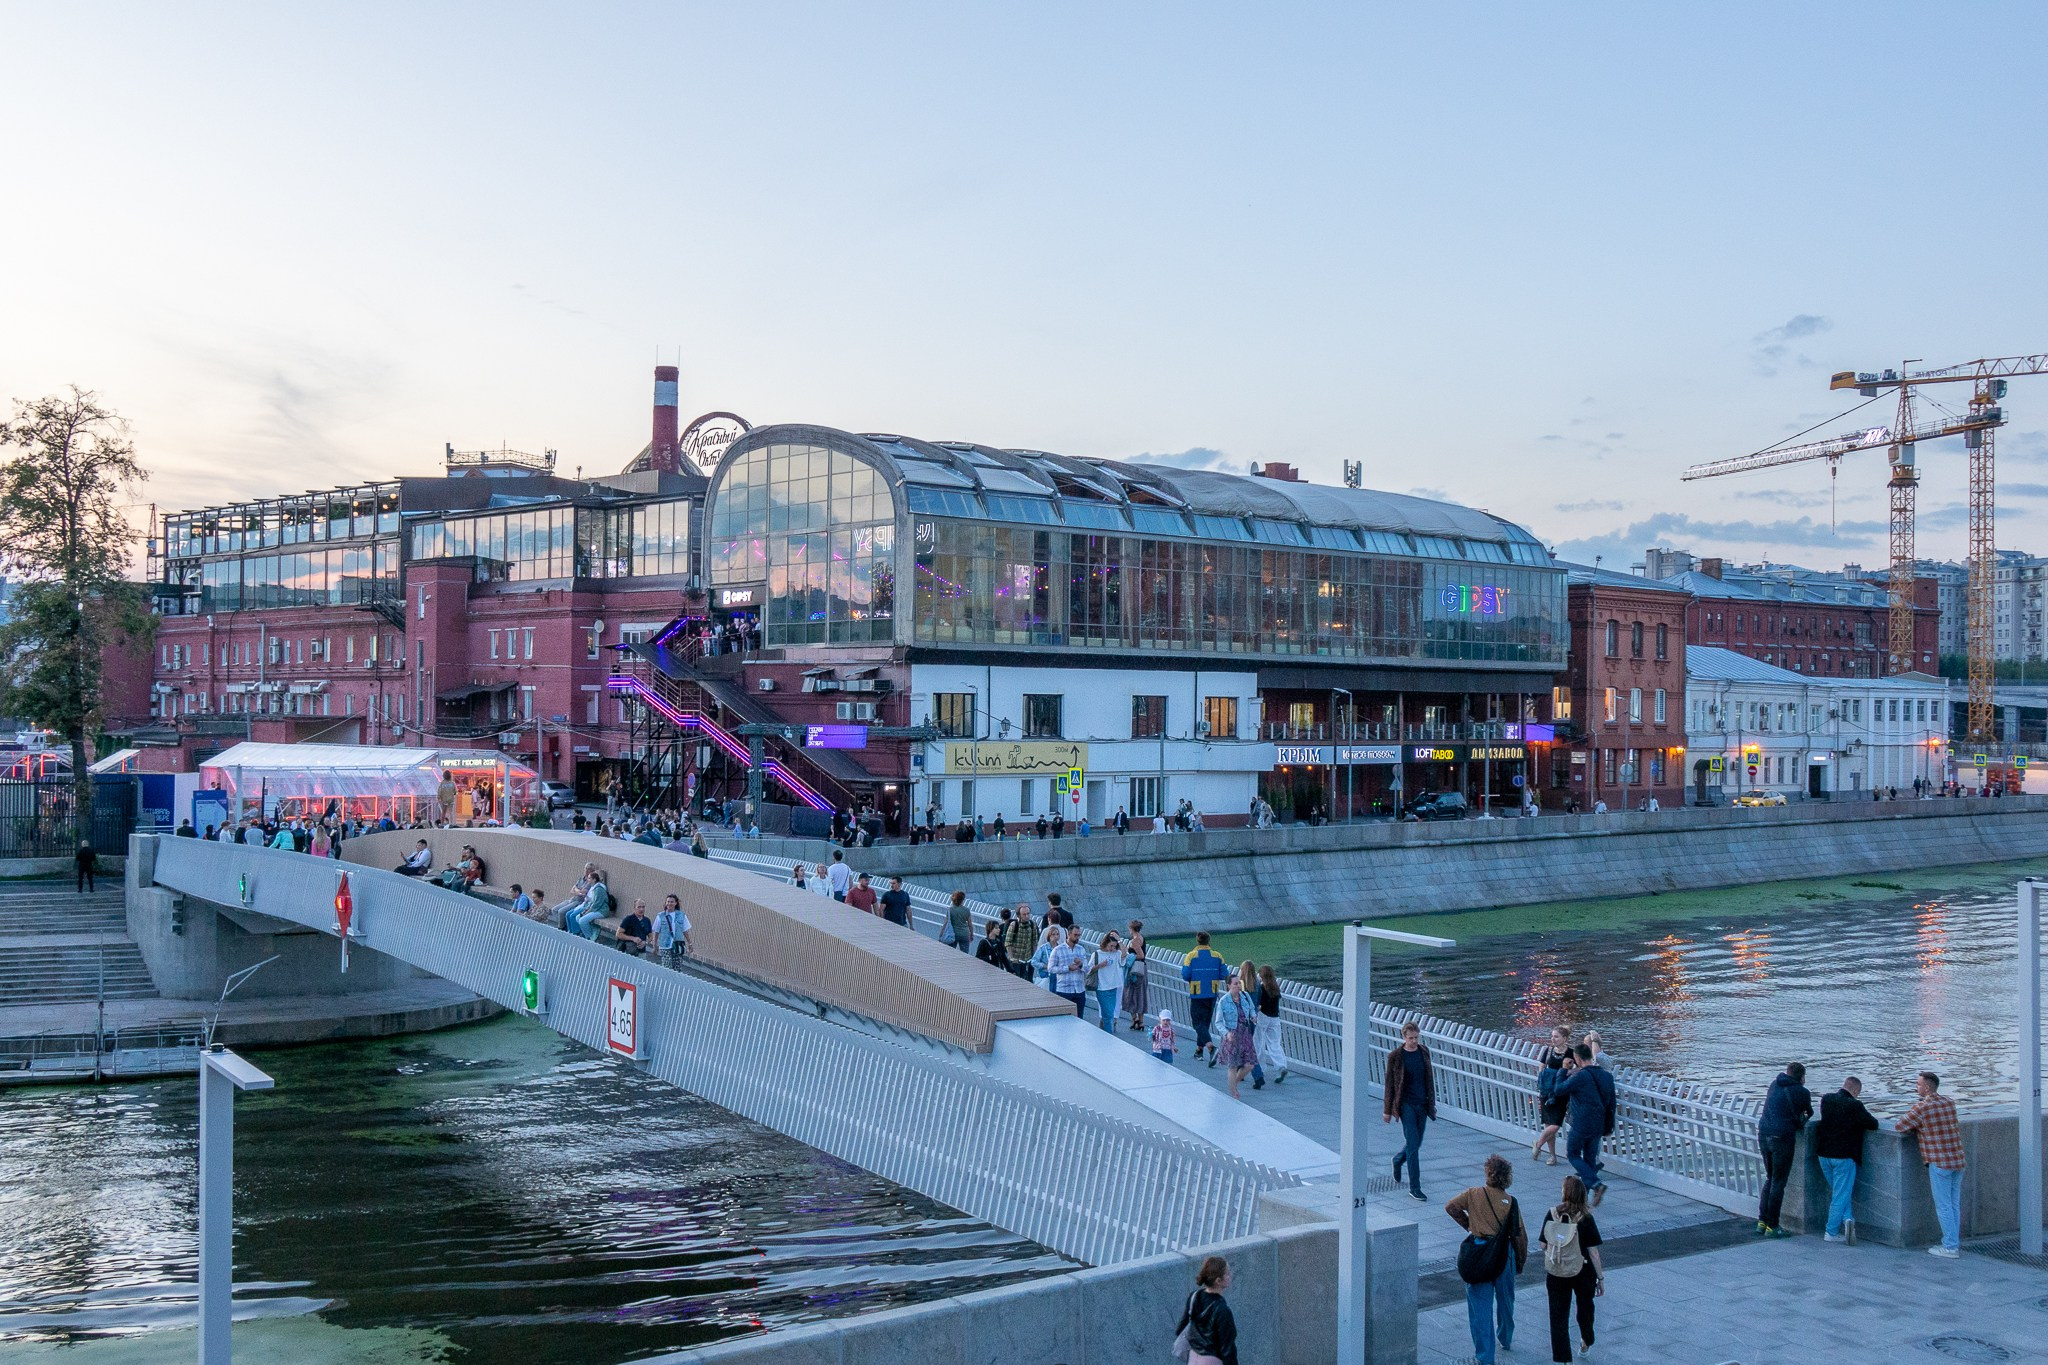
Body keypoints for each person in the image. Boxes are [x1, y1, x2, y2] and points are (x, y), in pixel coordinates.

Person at [1446, 1154, 1526, 1365]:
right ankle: (1505, 1337)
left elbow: (1451, 1207)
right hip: (1503, 1255)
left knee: (1480, 1309)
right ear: (1507, 1177)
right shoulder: (1511, 1202)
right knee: (1506, 1301)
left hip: (1479, 1253)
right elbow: (1519, 1236)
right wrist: (1519, 1261)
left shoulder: (1473, 1193)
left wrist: (1470, 1225)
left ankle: (1485, 1357)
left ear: (1488, 1174)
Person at [1895, 1070, 1965, 1257]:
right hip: (1957, 1159)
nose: (1916, 1087)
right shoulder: (1949, 1102)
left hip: (1939, 1162)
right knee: (1954, 1204)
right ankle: (1954, 1242)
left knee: (1943, 1206)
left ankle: (1950, 1246)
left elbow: (1900, 1126)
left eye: (1918, 1084)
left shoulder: (1922, 1107)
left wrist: (1918, 1127)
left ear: (1927, 1087)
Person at [1539, 1174, 1604, 1363]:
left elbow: (1543, 1245)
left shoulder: (1552, 1214)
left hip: (1557, 1270)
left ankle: (1563, 1359)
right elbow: (1594, 1253)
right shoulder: (1586, 1218)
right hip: (1583, 1271)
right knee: (1585, 1309)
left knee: (1558, 1316)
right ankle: (1586, 1340)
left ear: (1565, 1192)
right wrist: (1600, 1278)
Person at [1815, 1074, 1879, 1244]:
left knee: (1840, 1193)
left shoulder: (1827, 1099)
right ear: (1856, 1090)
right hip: (1844, 1157)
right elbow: (1873, 1124)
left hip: (1823, 1154)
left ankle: (1849, 1220)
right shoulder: (1855, 1105)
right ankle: (1831, 1232)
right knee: (1840, 1195)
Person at [1553, 1044, 1616, 1205]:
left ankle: (1596, 1185)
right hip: (1599, 1122)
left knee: (1573, 1153)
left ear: (1578, 1059)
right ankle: (1584, 1199)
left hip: (1582, 1121)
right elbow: (1611, 1104)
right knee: (1589, 1160)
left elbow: (1559, 1090)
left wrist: (1562, 1070)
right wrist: (1609, 1126)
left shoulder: (1580, 1076)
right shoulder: (1607, 1076)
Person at [1755, 1061, 1813, 1237]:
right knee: (1779, 1182)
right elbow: (1808, 1112)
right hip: (1782, 1138)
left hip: (1764, 1134)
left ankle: (1762, 1222)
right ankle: (1773, 1226)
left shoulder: (1774, 1084)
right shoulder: (1802, 1092)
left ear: (1787, 1073)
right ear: (1802, 1078)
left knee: (1770, 1178)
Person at [1384, 1019, 1436, 1200]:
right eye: (1411, 1038)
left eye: (1416, 1037)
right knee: (1413, 1146)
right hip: (1406, 1105)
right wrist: (1387, 1110)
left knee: (1417, 1143)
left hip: (1422, 1104)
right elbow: (1390, 1084)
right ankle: (1415, 1187)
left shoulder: (1424, 1052)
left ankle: (1398, 1160)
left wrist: (1431, 1103)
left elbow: (1428, 1079)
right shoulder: (1396, 1056)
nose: (1414, 1041)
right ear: (1404, 1037)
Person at [1172, 1255, 1238, 1365]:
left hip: (1193, 1359)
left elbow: (1179, 1329)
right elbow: (1227, 1350)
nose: (1230, 1276)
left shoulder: (1194, 1297)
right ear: (1218, 1281)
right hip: (1212, 1360)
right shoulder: (1222, 1310)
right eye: (1227, 1273)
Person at [1181, 931, 1230, 1061]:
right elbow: (1224, 974)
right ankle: (1199, 1050)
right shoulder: (1218, 956)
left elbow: (1185, 975)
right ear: (1209, 941)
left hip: (1197, 993)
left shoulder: (1191, 956)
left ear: (1198, 941)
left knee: (1197, 1023)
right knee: (1205, 1022)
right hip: (1212, 993)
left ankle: (1210, 1047)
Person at [1532, 1025, 1574, 1166]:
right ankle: (1552, 1156)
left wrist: (1564, 1072)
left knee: (1555, 1125)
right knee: (1549, 1124)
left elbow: (1574, 1071)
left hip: (1561, 1092)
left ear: (1565, 1038)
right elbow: (1542, 1068)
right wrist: (1542, 1085)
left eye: (1556, 1036)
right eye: (1552, 1036)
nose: (1553, 1039)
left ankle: (1538, 1144)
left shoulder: (1571, 1053)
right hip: (1547, 1092)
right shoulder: (1548, 1051)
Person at [1215, 974, 1258, 1098]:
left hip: (1245, 1033)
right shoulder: (1224, 1001)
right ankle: (1233, 1092)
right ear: (1229, 986)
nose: (1238, 986)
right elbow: (1218, 1022)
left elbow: (1251, 1009)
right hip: (1232, 1035)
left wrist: (1253, 1017)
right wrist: (1226, 1033)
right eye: (1235, 984)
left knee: (1250, 1064)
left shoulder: (1245, 996)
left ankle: (1234, 1083)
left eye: (1239, 983)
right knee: (1232, 1065)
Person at [1253, 964, 1289, 1083]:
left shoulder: (1261, 988)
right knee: (1275, 1044)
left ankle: (1261, 1068)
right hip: (1275, 1018)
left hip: (1262, 1016)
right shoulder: (1276, 988)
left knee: (1259, 1043)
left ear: (1261, 976)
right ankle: (1281, 1066)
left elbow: (1259, 1004)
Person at [1088, 930, 1125, 1034]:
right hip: (1102, 988)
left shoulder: (1116, 954)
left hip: (1113, 987)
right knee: (1107, 1014)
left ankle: (1105, 1034)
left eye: (1114, 946)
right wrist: (1100, 965)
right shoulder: (1097, 954)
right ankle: (1110, 1035)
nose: (1112, 948)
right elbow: (1089, 970)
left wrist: (1119, 940)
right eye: (1111, 946)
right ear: (1105, 943)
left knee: (1109, 1014)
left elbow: (1124, 953)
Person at [1048, 925, 1089, 1015]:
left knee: (1079, 1018)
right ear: (1069, 934)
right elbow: (1050, 968)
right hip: (1064, 990)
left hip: (1079, 990)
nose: (1077, 937)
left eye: (1079, 935)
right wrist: (1067, 968)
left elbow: (1087, 969)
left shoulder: (1081, 949)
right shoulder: (1058, 950)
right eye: (1075, 935)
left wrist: (1081, 964)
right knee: (1064, 1019)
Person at [565, 872, 612, 940]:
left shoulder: (599, 889)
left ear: (594, 880)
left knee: (582, 920)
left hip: (601, 911)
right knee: (578, 917)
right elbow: (591, 902)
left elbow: (597, 903)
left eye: (589, 878)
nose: (587, 879)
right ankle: (590, 930)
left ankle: (589, 937)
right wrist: (586, 910)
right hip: (594, 909)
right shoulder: (593, 888)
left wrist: (588, 911)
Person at [1122, 920, 1149, 1028]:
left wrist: (1130, 957)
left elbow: (1141, 955)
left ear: (1131, 928)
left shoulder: (1134, 941)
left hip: (1135, 970)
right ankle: (1141, 1021)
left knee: (1130, 994)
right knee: (1141, 994)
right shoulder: (1141, 937)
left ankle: (1134, 1018)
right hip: (1142, 969)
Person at [653, 893, 691, 968]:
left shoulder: (681, 915)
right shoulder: (661, 916)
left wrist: (690, 943)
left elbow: (685, 931)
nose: (669, 903)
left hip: (678, 945)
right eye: (668, 902)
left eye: (671, 902)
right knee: (667, 967)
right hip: (665, 945)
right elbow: (656, 931)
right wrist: (655, 945)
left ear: (676, 903)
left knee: (677, 967)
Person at [1001, 903, 1039, 978]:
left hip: (1027, 959)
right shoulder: (1014, 925)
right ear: (1019, 915)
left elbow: (1035, 942)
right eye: (1024, 914)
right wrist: (1012, 958)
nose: (1027, 916)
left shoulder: (1032, 924)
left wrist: (1033, 957)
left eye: (1028, 914)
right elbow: (1008, 943)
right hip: (1016, 960)